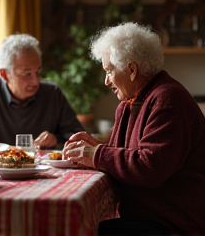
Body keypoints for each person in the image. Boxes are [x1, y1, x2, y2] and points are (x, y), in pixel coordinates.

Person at [64, 22, 205, 235]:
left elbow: (149, 168)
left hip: (173, 225)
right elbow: (124, 158)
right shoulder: (131, 103)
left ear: (131, 70)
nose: (106, 81)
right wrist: (96, 148)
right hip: (150, 218)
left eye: (109, 71)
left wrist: (97, 154)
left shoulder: (168, 100)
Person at [0, 34, 84, 149]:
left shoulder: (52, 94)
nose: (36, 81)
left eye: (37, 72)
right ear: (4, 74)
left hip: (42, 171)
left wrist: (57, 139)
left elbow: (80, 138)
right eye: (27, 74)